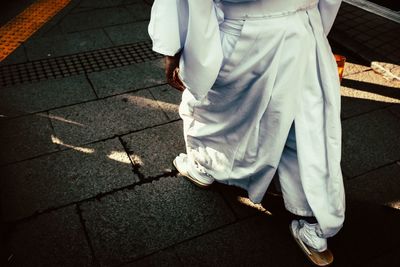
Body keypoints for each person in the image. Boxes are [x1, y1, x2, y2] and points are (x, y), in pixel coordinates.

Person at [148, 0, 345, 265]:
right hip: (303, 32)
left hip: (245, 32)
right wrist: (313, 25)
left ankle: (206, 166)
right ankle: (314, 222)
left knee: (218, 113)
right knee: (304, 126)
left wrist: (173, 49)